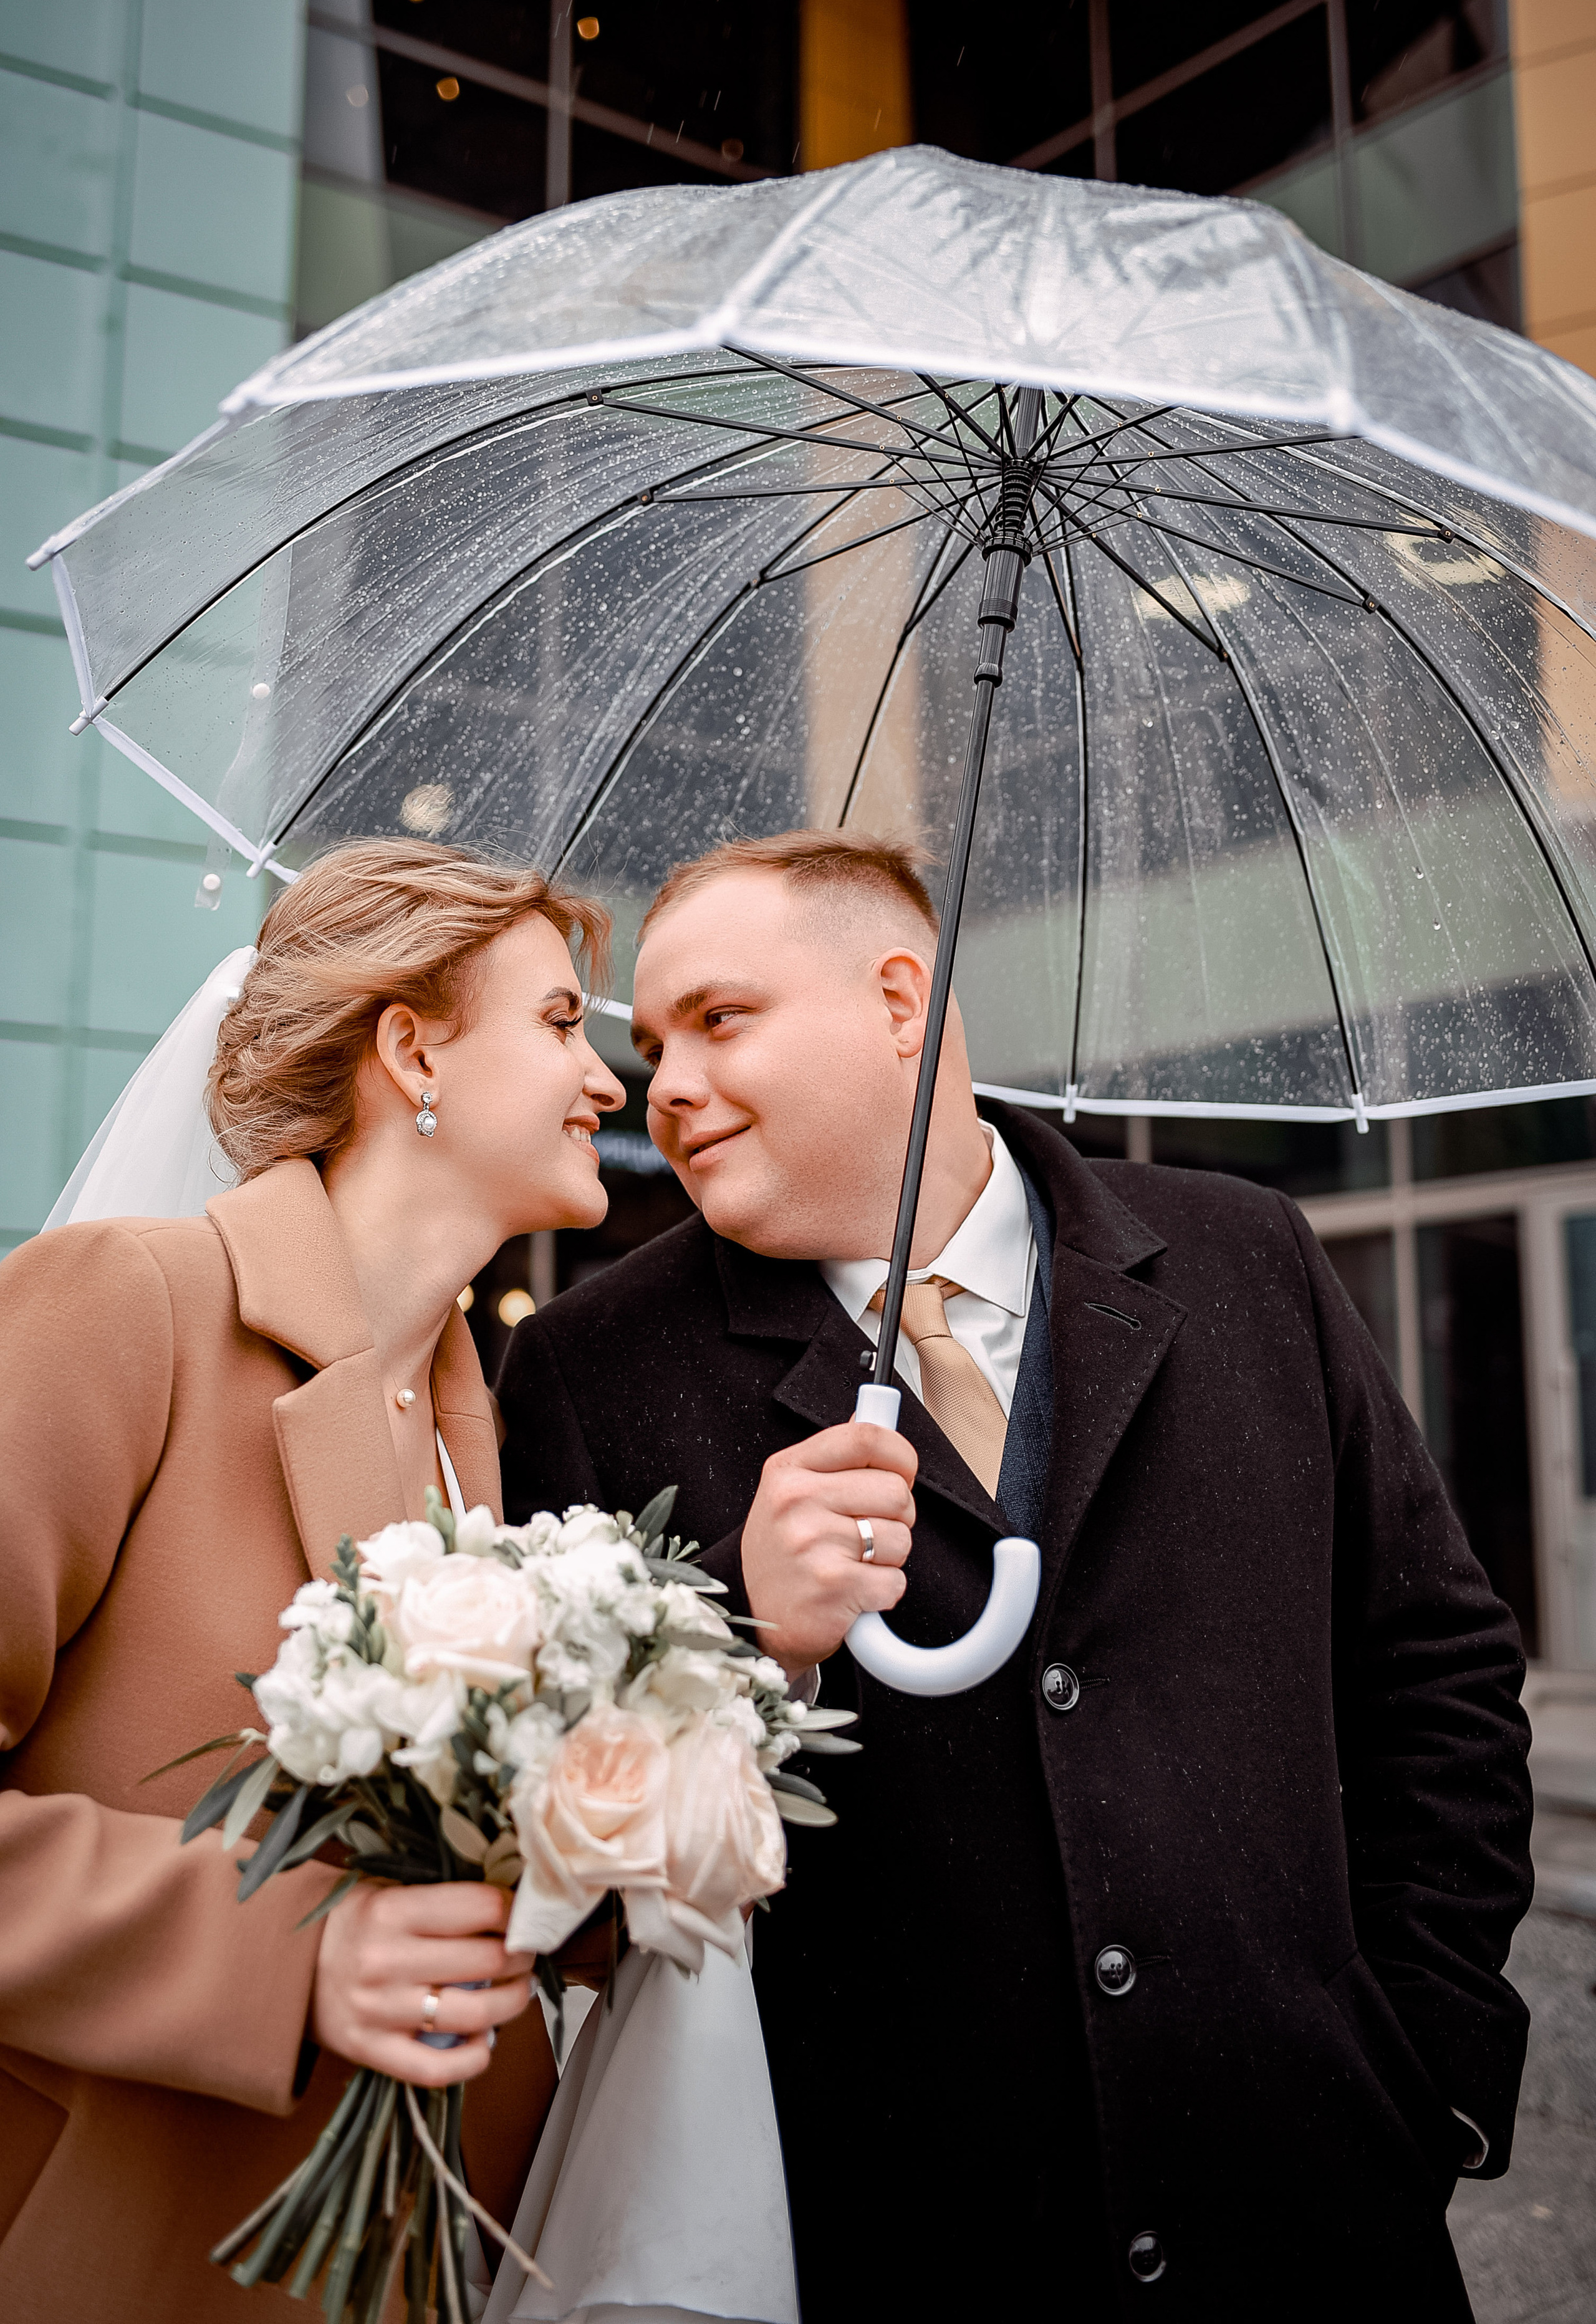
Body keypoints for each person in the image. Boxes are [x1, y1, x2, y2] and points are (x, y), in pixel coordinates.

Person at [498, 827, 1536, 2322]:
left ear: (899, 999)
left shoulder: (1246, 1255)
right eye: (650, 1042)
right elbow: (564, 1827)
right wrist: (734, 1622)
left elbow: (1432, 1674)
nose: (658, 1084)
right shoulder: (590, 1370)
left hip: (1313, 2226)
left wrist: (1424, 2064)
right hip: (891, 2251)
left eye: (718, 1021)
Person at [0, 839, 625, 2323]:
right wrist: (293, 1952)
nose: (607, 1083)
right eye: (556, 1024)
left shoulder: (489, 1433)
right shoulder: (124, 1311)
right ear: (408, 1048)